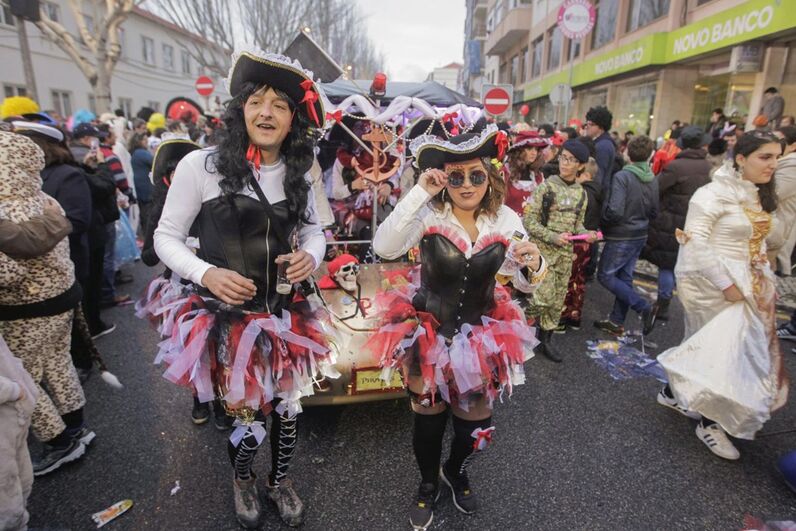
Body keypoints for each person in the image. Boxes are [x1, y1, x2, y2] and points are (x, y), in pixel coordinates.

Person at [153, 47, 338, 529]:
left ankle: (279, 481)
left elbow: (316, 230)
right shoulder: (201, 167)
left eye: (280, 104)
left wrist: (310, 257)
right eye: (257, 101)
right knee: (245, 415)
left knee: (289, 409)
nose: (267, 112)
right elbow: (165, 237)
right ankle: (243, 480)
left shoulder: (304, 169)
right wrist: (205, 273)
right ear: (240, 110)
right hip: (230, 320)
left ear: (293, 118)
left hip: (286, 314)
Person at [369, 125, 546, 530]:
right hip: (429, 333)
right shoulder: (430, 213)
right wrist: (421, 191)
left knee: (476, 427)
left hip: (482, 337)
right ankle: (428, 483)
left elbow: (524, 279)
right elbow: (384, 247)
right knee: (428, 422)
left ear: (490, 176)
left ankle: (455, 469)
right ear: (443, 179)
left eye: (476, 175)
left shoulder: (506, 219)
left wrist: (534, 262)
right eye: (456, 176)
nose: (467, 185)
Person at [657, 131, 788, 460]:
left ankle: (673, 393)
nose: (773, 164)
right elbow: (695, 241)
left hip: (750, 283)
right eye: (765, 157)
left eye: (777, 157)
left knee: (711, 347)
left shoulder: (757, 194)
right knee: (724, 354)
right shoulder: (712, 193)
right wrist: (727, 285)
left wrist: (759, 265)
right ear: (741, 159)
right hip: (711, 284)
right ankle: (711, 423)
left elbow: (760, 239)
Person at [0, 132, 93, 476]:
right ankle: (77, 425)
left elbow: (8, 274)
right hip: (60, 298)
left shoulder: (6, 210)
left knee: (23, 378)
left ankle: (58, 442)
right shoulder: (42, 199)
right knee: (58, 363)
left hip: (24, 310)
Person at [524, 139, 598, 361]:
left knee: (557, 302)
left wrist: (588, 234)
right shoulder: (546, 187)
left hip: (566, 256)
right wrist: (552, 237)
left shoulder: (581, 194)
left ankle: (545, 341)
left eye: (572, 160)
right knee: (542, 299)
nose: (565, 163)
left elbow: (578, 226)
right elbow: (529, 221)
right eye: (563, 157)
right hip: (543, 254)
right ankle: (518, 326)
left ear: (581, 166)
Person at [642, 126, 713, 320]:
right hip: (696, 223)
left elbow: (656, 188)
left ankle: (663, 302)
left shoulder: (676, 166)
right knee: (680, 262)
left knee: (667, 264)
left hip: (672, 222)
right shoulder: (708, 167)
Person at [595, 135, 659, 337]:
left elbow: (615, 210)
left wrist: (602, 221)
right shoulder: (652, 178)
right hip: (640, 234)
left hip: (621, 235)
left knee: (605, 275)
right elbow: (655, 211)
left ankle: (643, 306)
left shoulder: (623, 176)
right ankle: (616, 321)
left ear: (627, 152)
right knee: (625, 277)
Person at [70, 123, 131, 307]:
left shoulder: (76, 157)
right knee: (104, 256)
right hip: (98, 216)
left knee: (101, 257)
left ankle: (104, 291)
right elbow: (105, 185)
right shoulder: (91, 157)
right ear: (86, 139)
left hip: (94, 215)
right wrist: (101, 165)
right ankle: (106, 294)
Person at [561, 155, 601, 330]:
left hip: (576, 241)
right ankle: (575, 315)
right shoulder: (598, 192)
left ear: (585, 175)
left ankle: (561, 317)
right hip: (588, 242)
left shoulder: (581, 193)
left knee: (566, 279)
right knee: (579, 279)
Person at [767, 126, 796, 275]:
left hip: (776, 240)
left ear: (793, 146)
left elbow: (772, 197)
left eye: (778, 140)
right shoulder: (780, 163)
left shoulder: (792, 165)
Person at [503, 130, 548, 215]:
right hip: (509, 225)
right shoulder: (505, 172)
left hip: (532, 226)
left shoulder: (538, 176)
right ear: (519, 150)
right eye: (529, 148)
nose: (534, 152)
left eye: (536, 149)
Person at [129, 132, 154, 233]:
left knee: (144, 213)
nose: (146, 141)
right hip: (145, 188)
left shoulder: (134, 153)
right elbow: (155, 162)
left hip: (139, 187)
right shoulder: (141, 153)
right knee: (148, 214)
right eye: (144, 139)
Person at [585, 106, 615, 186]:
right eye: (587, 123)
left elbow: (598, 176)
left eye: (591, 124)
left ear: (601, 127)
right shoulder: (600, 143)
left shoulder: (602, 146)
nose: (587, 126)